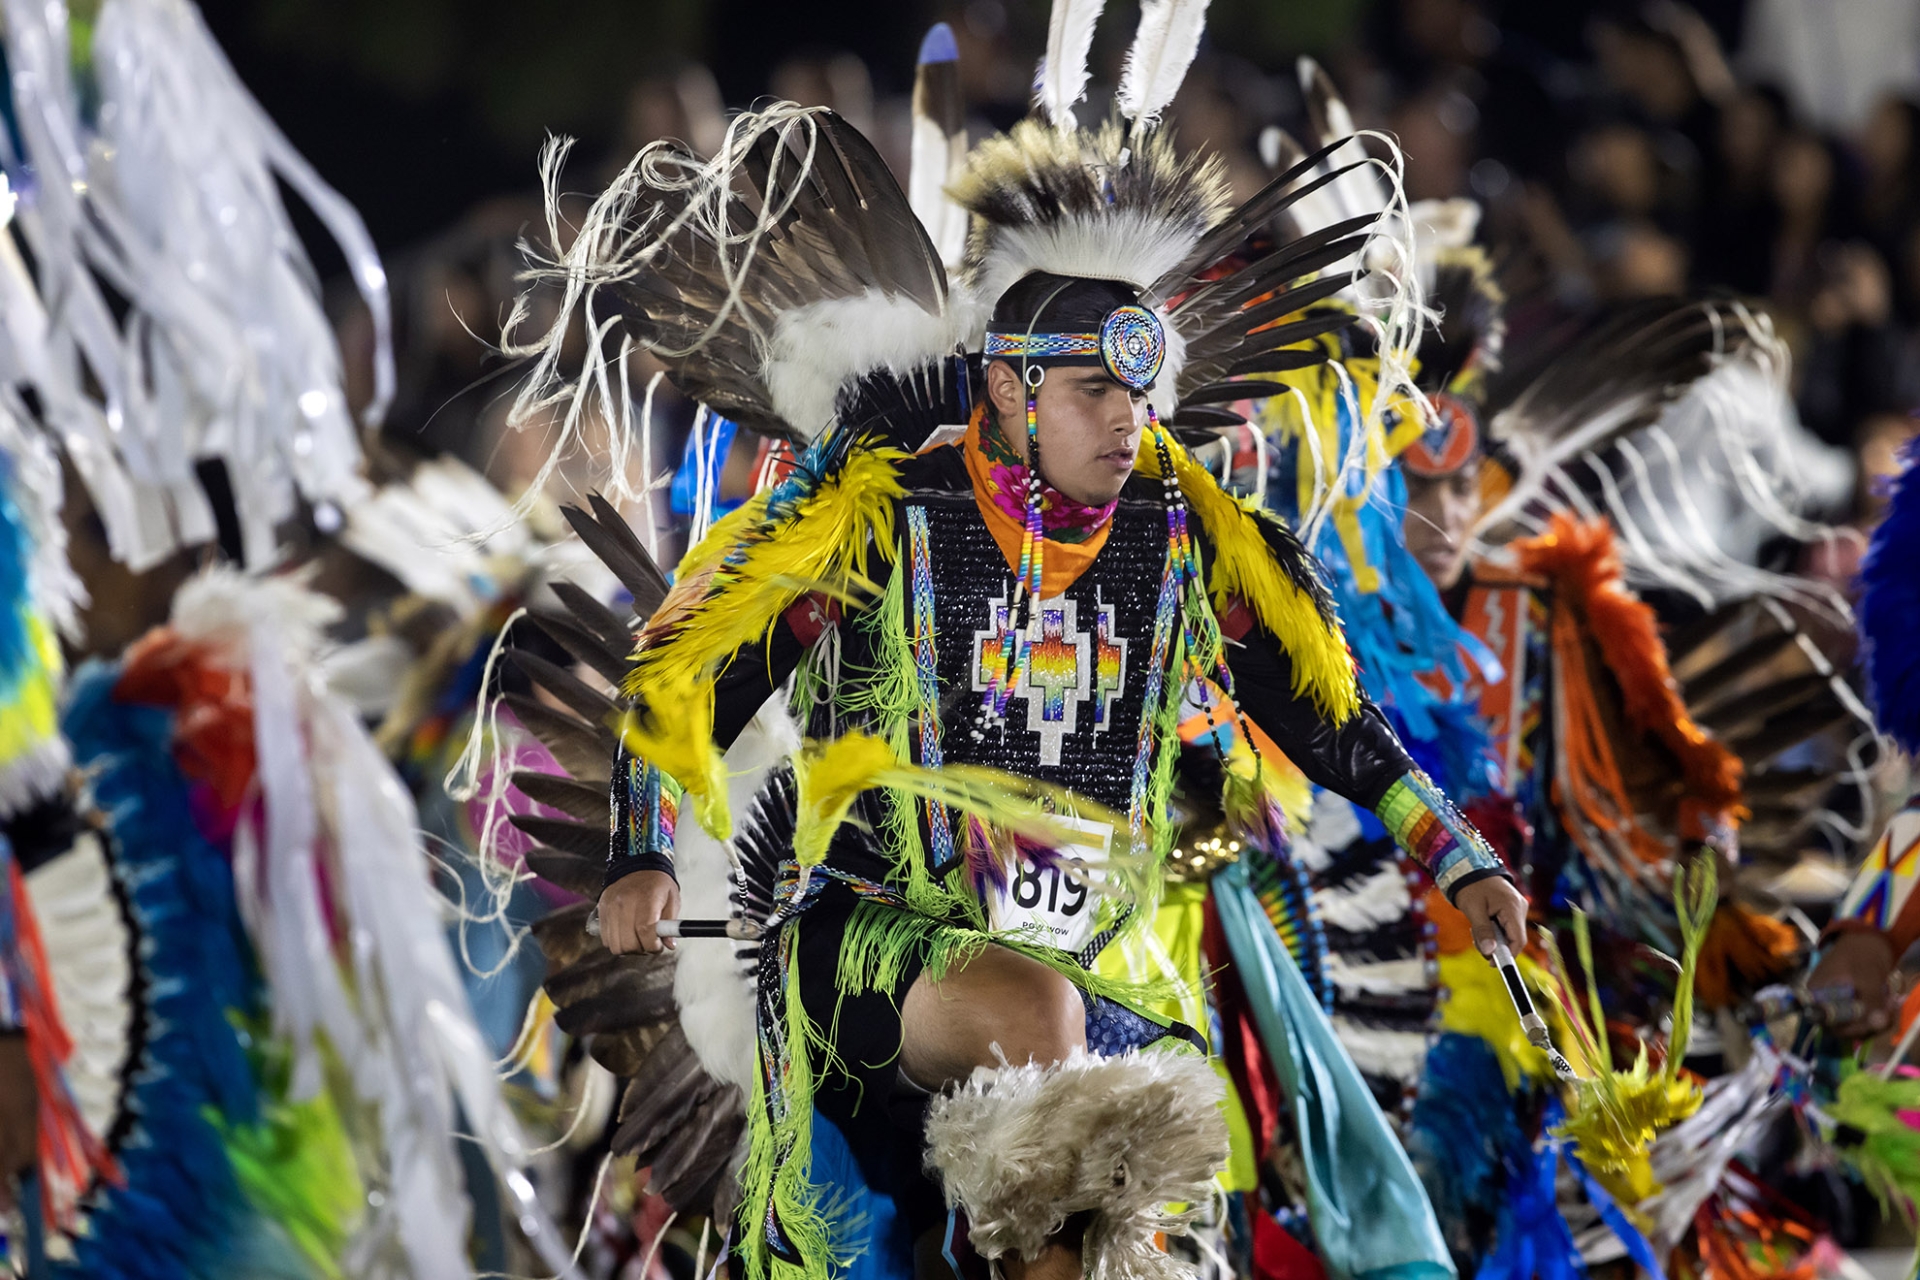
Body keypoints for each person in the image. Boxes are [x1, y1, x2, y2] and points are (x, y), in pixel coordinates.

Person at [509, 12, 1529, 1275]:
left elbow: (1326, 714)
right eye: (1091, 392)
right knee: (1038, 1031)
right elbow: (693, 673)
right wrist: (638, 851)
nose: (1124, 421)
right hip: (878, 953)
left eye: (1137, 395)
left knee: (1120, 1161)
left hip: (1093, 961)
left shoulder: (1186, 535)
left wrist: (1456, 850)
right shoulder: (888, 514)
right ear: (1006, 388)